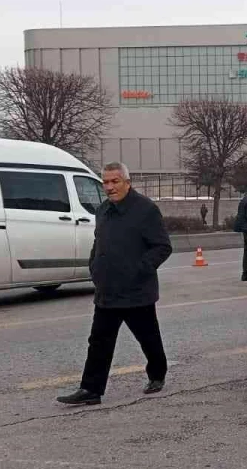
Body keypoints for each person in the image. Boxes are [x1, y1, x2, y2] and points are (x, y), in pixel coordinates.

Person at [57, 163, 173, 406]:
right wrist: (94, 267)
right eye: (105, 182)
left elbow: (162, 246)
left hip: (136, 291)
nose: (109, 187)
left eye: (114, 181)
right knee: (99, 341)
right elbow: (99, 243)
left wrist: (139, 269)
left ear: (127, 182)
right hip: (108, 290)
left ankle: (157, 374)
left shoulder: (146, 210)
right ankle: (91, 389)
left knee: (148, 338)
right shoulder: (103, 211)